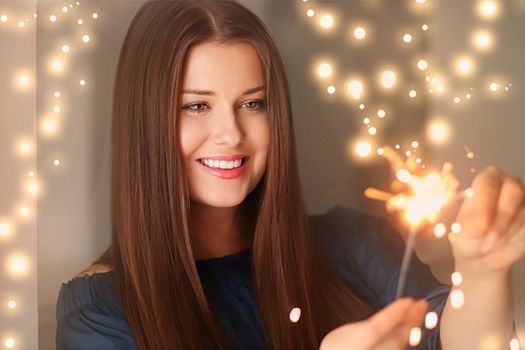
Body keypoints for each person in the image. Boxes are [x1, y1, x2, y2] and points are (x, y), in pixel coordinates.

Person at [55, 1, 525, 349]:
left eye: (252, 104)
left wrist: (483, 271)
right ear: (145, 122)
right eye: (196, 106)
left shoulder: (354, 242)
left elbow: (456, 341)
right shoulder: (99, 312)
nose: (230, 134)